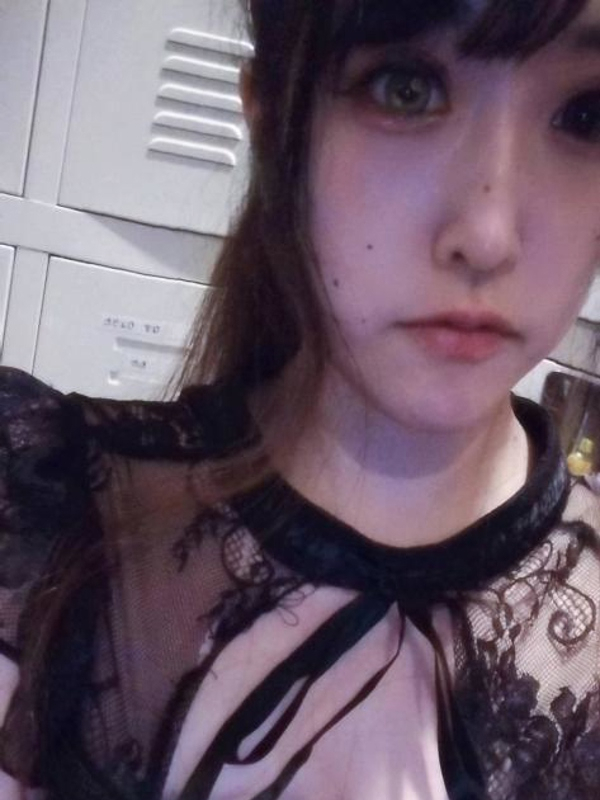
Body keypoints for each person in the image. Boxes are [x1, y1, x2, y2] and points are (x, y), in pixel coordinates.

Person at [1, 0, 600, 797]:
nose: (487, 236)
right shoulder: (40, 527)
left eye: (586, 114)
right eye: (405, 88)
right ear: (271, 122)